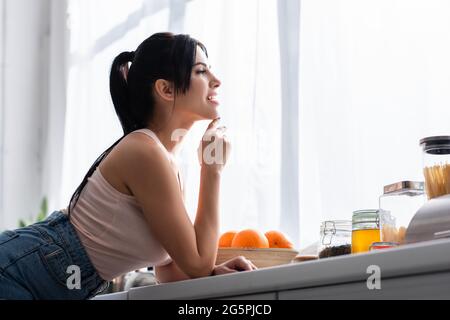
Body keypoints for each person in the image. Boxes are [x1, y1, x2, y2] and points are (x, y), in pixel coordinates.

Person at [0, 32, 256, 300]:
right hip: (16, 271)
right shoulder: (144, 150)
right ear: (166, 90)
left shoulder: (165, 161)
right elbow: (197, 262)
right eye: (201, 71)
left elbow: (171, 271)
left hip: (56, 279)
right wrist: (212, 170)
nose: (216, 81)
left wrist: (211, 272)